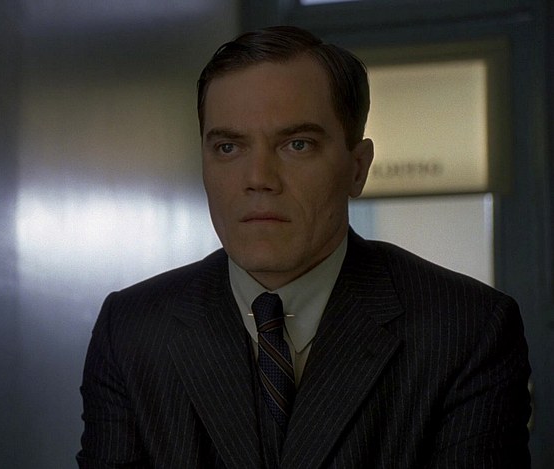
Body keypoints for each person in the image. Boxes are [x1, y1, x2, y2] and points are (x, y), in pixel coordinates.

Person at [77, 26, 532, 468]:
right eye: (229, 148)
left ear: (357, 168)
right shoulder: (131, 331)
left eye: (297, 144)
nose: (258, 179)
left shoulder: (467, 329)